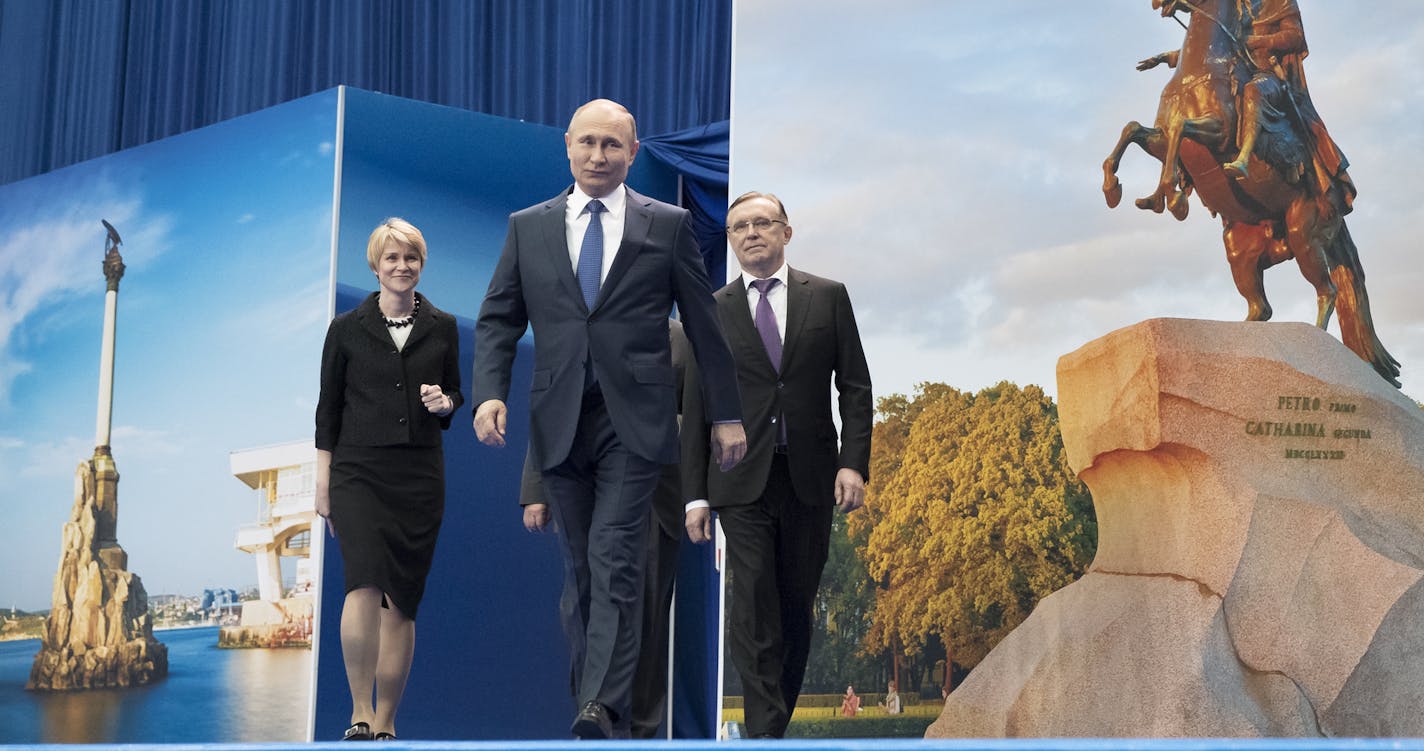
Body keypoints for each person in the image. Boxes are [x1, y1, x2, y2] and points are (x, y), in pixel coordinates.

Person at [472, 98, 747, 740]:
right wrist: (490, 392)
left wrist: (727, 417)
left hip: (636, 422)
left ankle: (597, 706)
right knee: (580, 575)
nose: (599, 156)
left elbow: (706, 331)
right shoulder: (527, 226)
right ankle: (595, 705)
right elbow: (498, 319)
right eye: (588, 143)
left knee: (615, 556)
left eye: (613, 146)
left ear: (634, 151)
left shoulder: (670, 225)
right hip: (558, 420)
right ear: (567, 145)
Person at [683, 191, 873, 739]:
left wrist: (852, 464)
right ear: (730, 238)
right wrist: (695, 494)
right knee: (754, 597)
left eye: (762, 223)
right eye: (739, 226)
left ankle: (773, 729)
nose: (751, 233)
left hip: (812, 477)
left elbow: (855, 387)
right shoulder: (712, 309)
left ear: (786, 231)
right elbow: (696, 405)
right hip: (740, 481)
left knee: (794, 604)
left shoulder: (829, 297)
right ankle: (765, 734)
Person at [315, 218, 464, 741]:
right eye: (392, 259)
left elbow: (454, 394)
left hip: (419, 475)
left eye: (411, 258)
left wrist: (446, 403)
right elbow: (327, 409)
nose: (402, 267)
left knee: (401, 599)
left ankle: (386, 722)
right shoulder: (346, 328)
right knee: (363, 582)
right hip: (357, 472)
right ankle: (358, 712)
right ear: (375, 266)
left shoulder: (443, 325)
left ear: (421, 264)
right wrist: (322, 483)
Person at [517, 320, 694, 739]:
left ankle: (641, 732)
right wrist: (534, 487)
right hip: (585, 492)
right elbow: (552, 404)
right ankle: (592, 716)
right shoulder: (579, 329)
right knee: (581, 607)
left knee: (646, 615)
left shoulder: (682, 340)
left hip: (655, 496)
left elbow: (700, 415)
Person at [1218, 0, 1355, 212]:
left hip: (1268, 76)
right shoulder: (1233, 7)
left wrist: (1261, 41)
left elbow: (1295, 36)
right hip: (1235, 75)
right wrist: (1171, 57)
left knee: (1254, 91)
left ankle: (1244, 157)